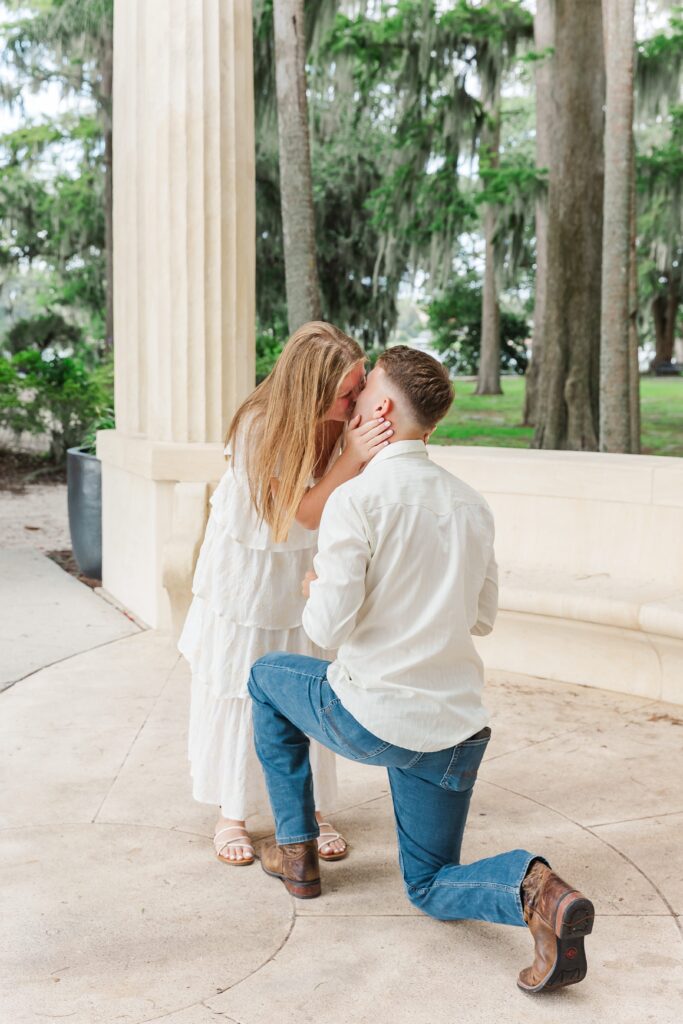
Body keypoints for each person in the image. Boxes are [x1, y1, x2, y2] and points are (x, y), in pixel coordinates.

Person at [247, 345, 594, 993]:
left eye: (360, 394)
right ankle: (538, 892)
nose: (350, 404)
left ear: (381, 408)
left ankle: (296, 854)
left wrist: (315, 585)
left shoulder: (357, 500)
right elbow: (482, 617)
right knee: (430, 884)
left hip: (370, 716)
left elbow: (324, 629)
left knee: (266, 677)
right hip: (456, 728)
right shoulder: (471, 504)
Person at [178, 321, 394, 866]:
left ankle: (312, 806)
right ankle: (233, 811)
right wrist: (352, 456)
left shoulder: (343, 416)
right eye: (347, 391)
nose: (356, 397)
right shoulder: (259, 426)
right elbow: (297, 513)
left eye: (359, 383)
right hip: (251, 569)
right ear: (311, 390)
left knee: (309, 673)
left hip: (306, 562)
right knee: (242, 679)